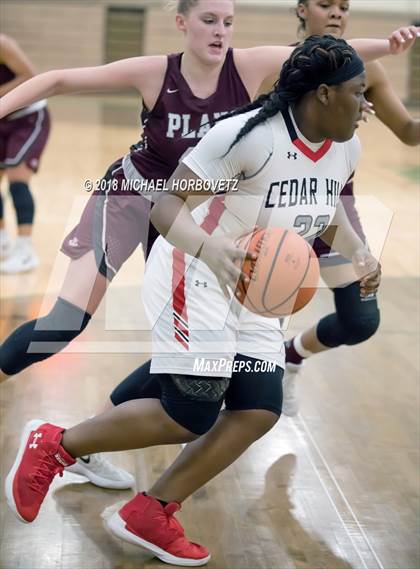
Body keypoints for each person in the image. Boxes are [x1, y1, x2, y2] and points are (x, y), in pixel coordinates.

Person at [6, 36, 389, 566]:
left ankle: (153, 510)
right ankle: (56, 443)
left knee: (258, 409)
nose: (367, 106)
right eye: (357, 92)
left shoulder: (346, 146)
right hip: (195, 268)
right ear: (323, 94)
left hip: (252, 288)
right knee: (192, 411)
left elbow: (325, 212)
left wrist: (360, 253)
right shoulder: (245, 138)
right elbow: (167, 208)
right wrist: (212, 250)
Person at [280, 0, 420, 416]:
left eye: (344, 6)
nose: (337, 13)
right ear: (302, 9)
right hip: (281, 202)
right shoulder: (281, 64)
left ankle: (292, 355)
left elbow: (410, 133)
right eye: (326, 4)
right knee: (256, 315)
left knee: (360, 320)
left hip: (335, 208)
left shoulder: (367, 67)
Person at [0, 34, 50, 273]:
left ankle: (25, 251)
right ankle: (2, 241)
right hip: (2, 118)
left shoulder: (3, 44)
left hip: (26, 117)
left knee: (17, 181)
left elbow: (30, 76)